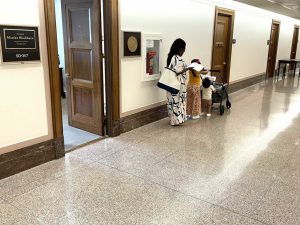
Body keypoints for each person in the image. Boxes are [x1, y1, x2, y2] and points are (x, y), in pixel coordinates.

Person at [166, 38, 191, 126]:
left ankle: (174, 120)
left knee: (173, 103)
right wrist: (188, 68)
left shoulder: (171, 57)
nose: (184, 51)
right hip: (177, 86)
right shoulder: (177, 58)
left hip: (172, 85)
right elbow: (177, 72)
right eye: (184, 49)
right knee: (177, 103)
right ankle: (176, 121)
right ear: (180, 49)